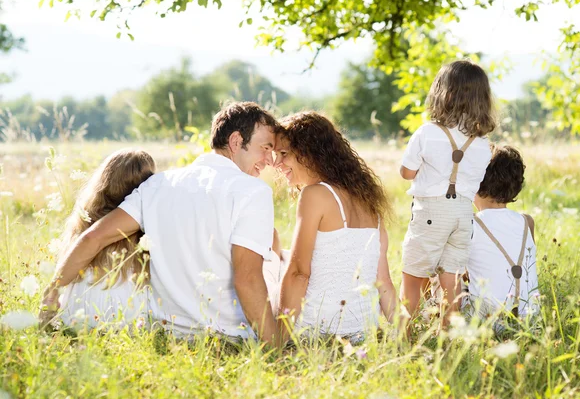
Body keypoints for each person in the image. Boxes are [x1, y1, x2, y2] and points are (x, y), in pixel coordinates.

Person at [40, 101, 281, 346]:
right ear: (236, 141)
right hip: (229, 335)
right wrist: (276, 350)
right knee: (277, 258)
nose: (270, 160)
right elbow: (248, 278)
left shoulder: (158, 184)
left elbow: (94, 237)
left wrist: (52, 291)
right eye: (265, 148)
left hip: (168, 335)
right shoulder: (253, 191)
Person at [274, 111, 398, 342]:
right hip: (363, 333)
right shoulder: (368, 200)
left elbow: (299, 273)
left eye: (283, 154)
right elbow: (384, 282)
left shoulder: (315, 194)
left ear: (308, 152)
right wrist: (405, 338)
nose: (276, 163)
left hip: (318, 329)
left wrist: (280, 342)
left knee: (268, 265)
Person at [399, 59, 496, 326]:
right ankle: (449, 335)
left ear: (445, 94)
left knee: (413, 274)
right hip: (463, 215)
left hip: (432, 211)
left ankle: (404, 335)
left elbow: (406, 173)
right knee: (451, 277)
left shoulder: (427, 133)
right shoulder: (483, 144)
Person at [57, 149, 156, 328]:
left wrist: (51, 292)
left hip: (75, 314)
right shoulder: (146, 220)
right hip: (128, 320)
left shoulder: (85, 219)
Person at [463, 145, 539, 321]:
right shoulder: (527, 222)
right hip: (529, 319)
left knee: (441, 272)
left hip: (488, 318)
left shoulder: (470, 223)